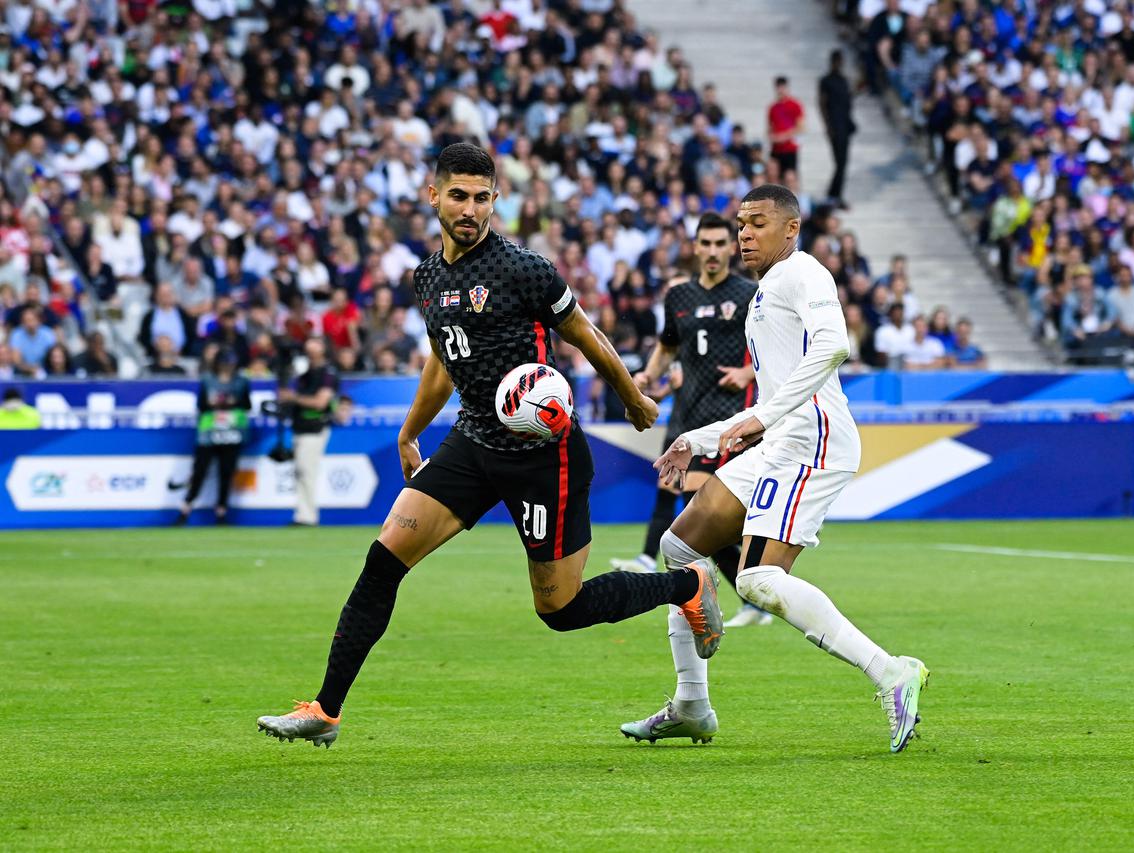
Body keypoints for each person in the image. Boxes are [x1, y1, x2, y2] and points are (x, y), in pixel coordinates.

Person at [256, 144, 720, 748]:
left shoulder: (523, 269)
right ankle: (326, 708)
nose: (470, 209)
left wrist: (632, 398)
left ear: (495, 200)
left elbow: (584, 332)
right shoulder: (427, 277)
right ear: (434, 196)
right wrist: (409, 430)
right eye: (458, 196)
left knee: (560, 609)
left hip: (542, 458)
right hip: (472, 442)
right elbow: (442, 364)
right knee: (383, 560)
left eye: (481, 198)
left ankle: (688, 587)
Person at [621, 184, 928, 753]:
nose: (744, 234)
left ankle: (892, 672)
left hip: (815, 442)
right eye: (741, 223)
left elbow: (834, 346)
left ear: (791, 228)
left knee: (758, 581)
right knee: (680, 547)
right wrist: (703, 435)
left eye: (756, 223)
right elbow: (773, 388)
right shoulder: (765, 291)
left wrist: (760, 416)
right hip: (779, 441)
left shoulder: (805, 272)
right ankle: (692, 703)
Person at [609, 213, 765, 626]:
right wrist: (647, 376)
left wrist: (749, 373)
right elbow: (668, 347)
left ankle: (750, 595)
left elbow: (778, 347)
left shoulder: (750, 294)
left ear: (731, 248)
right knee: (683, 501)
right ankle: (753, 595)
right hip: (685, 415)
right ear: (694, 248)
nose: (713, 251)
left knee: (697, 509)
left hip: (727, 420)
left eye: (720, 243)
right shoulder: (679, 297)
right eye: (706, 244)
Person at [176, 349, 251, 525]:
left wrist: (231, 403)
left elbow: (246, 404)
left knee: (226, 472)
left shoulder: (241, 381)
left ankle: (221, 511)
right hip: (209, 432)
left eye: (230, 363)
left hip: (232, 431)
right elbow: (201, 405)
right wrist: (215, 403)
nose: (227, 367)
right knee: (200, 471)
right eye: (225, 363)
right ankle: (186, 508)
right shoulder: (208, 380)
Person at [281, 337, 339, 527]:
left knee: (307, 471)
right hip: (299, 426)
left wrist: (293, 397)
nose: (310, 347)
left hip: (316, 427)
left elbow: (320, 402)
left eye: (316, 343)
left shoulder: (328, 373)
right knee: (301, 471)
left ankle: (307, 516)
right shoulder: (303, 373)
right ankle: (302, 513)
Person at [818, 50, 855, 208]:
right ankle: (833, 195)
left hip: (845, 125)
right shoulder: (826, 81)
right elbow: (822, 103)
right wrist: (827, 126)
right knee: (840, 162)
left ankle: (835, 194)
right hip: (835, 126)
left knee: (843, 162)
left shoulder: (844, 81)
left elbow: (848, 100)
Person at [767, 77, 804, 176]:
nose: (780, 90)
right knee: (775, 176)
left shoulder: (795, 105)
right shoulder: (773, 107)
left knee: (790, 176)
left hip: (789, 148)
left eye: (782, 87)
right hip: (776, 149)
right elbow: (769, 127)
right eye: (778, 87)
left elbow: (801, 127)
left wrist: (784, 136)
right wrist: (772, 137)